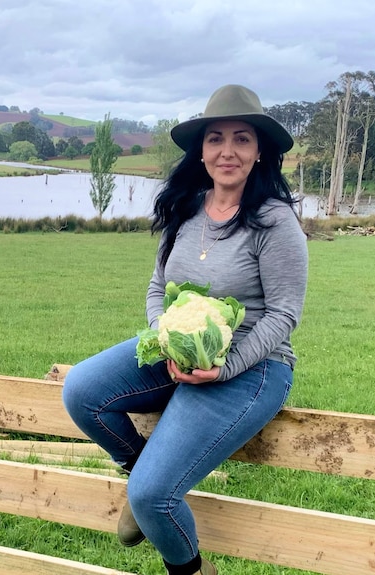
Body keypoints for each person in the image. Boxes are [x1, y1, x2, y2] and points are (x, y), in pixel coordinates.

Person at [62, 84, 308, 575]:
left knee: (156, 496)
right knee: (81, 391)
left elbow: (284, 314)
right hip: (180, 353)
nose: (228, 151)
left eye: (242, 139)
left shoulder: (274, 221)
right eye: (216, 138)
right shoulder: (185, 209)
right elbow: (158, 289)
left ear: (260, 151)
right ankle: (138, 468)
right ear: (201, 149)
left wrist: (224, 367)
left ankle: (191, 569)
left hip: (252, 368)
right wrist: (168, 336)